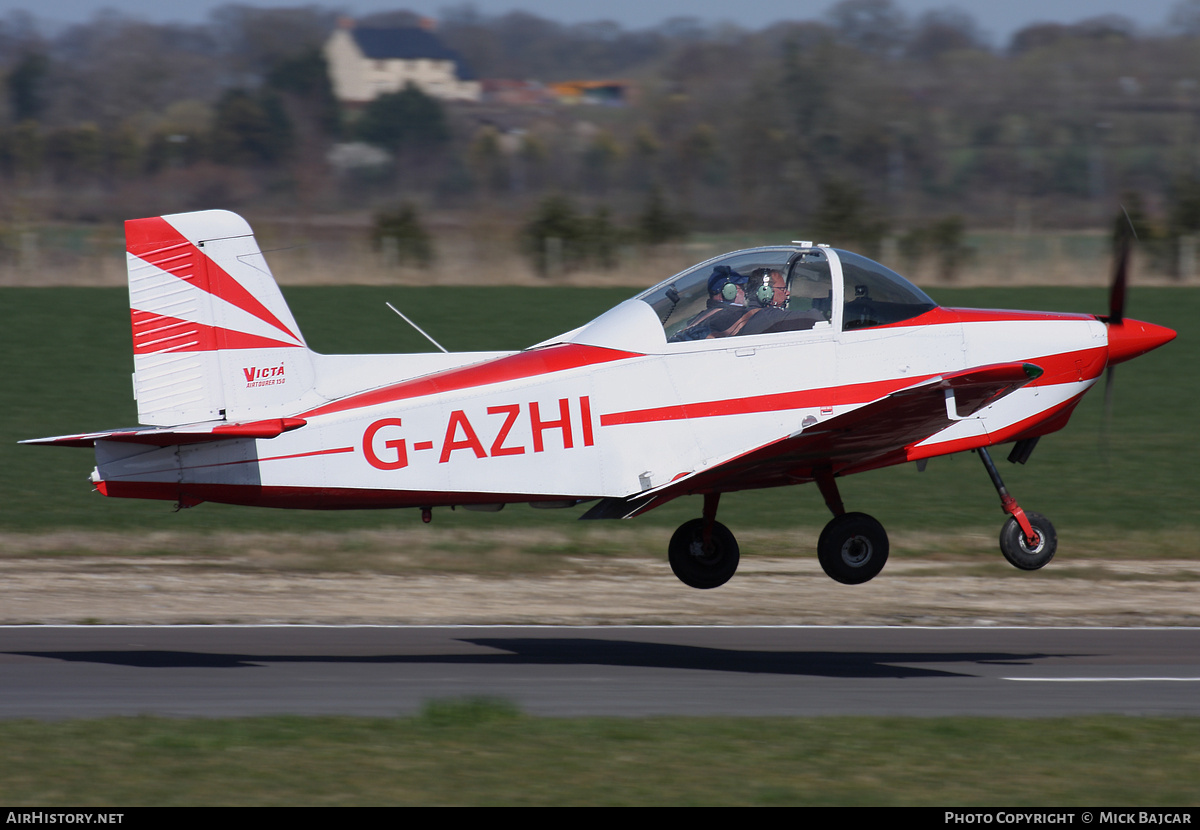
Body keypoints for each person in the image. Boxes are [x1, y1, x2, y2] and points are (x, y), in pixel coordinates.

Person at [671, 265, 756, 340]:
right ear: (729, 291)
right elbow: (764, 319)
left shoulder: (704, 315)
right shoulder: (729, 315)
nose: (745, 292)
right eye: (742, 288)